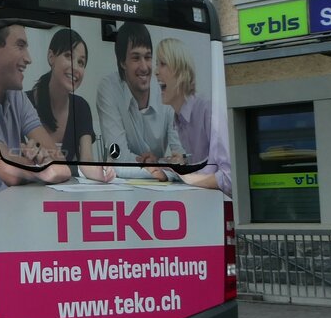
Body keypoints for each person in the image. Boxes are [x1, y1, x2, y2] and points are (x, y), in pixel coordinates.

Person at [0, 18, 71, 201]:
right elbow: (9, 171)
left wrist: (35, 163)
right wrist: (39, 165)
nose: (29, 58)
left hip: (10, 208)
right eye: (20, 46)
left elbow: (60, 163)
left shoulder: (16, 96)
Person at [95, 21, 184, 180]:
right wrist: (158, 168)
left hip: (161, 188)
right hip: (120, 187)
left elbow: (182, 160)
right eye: (136, 58)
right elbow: (118, 159)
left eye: (148, 57)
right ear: (122, 62)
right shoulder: (109, 88)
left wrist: (158, 163)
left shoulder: (167, 89)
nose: (144, 67)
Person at [27, 28, 115, 183]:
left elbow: (86, 160)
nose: (75, 68)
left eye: (81, 62)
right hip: (27, 190)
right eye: (68, 56)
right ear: (51, 57)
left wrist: (100, 172)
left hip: (65, 190)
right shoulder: (24, 103)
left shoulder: (81, 107)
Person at [155, 37, 233, 196]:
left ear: (180, 72)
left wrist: (187, 178)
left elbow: (230, 178)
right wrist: (179, 163)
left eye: (162, 64)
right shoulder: (179, 119)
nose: (155, 71)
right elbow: (205, 164)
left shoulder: (208, 111)